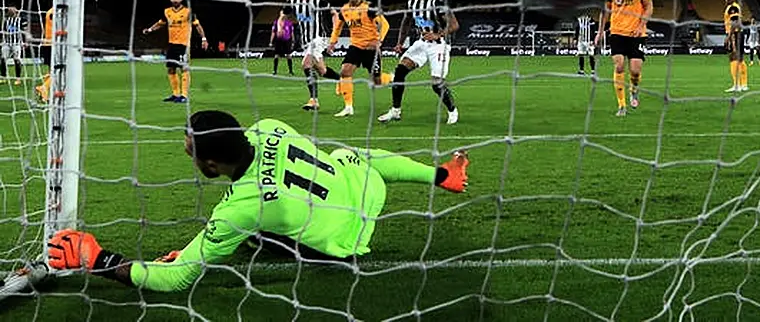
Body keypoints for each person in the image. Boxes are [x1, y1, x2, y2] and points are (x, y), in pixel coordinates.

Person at [47, 110, 470, 292]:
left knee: (247, 231)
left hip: (343, 246)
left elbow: (176, 281)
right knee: (349, 155)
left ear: (212, 166)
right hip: (365, 190)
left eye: (191, 149)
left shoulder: (239, 209)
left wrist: (96, 256)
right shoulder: (269, 126)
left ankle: (250, 242)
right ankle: (443, 176)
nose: (186, 152)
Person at [377, 0, 459, 125]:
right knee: (400, 72)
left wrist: (437, 34)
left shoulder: (438, 2)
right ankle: (395, 111)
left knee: (436, 84)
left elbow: (454, 25)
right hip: (421, 44)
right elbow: (406, 22)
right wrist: (399, 43)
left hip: (439, 45)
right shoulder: (412, 3)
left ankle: (452, 110)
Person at [327, 0, 390, 118]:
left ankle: (390, 78)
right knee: (345, 72)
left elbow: (385, 24)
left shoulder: (369, 8)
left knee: (376, 82)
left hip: (371, 48)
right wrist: (332, 42)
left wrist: (379, 41)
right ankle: (348, 107)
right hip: (355, 46)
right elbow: (338, 27)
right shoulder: (344, 10)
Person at [596, 0, 653, 117]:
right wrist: (600, 31)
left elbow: (649, 7)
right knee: (619, 66)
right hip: (617, 32)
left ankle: (634, 90)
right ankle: (621, 105)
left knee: (635, 71)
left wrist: (641, 26)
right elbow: (605, 11)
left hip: (636, 34)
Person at [142, 0, 209, 103]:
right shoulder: (167, 11)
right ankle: (175, 94)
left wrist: (204, 38)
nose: (176, 0)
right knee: (171, 68)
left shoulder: (188, 12)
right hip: (172, 44)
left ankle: (184, 95)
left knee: (184, 68)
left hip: (184, 44)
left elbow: (197, 25)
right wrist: (150, 29)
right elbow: (160, 23)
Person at [290, 0, 340, 111]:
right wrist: (281, 25)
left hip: (318, 39)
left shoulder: (319, 2)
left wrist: (334, 35)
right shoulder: (293, 3)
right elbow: (283, 13)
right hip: (306, 43)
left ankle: (314, 100)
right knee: (322, 71)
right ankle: (344, 81)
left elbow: (334, 14)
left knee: (306, 64)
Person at [723, 0, 748, 92]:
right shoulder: (733, 7)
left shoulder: (733, 7)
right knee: (740, 59)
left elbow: (735, 22)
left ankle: (736, 85)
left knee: (733, 58)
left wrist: (729, 36)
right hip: (738, 33)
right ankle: (744, 84)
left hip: (735, 34)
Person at [0, 7, 25, 85]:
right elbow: (3, 31)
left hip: (16, 43)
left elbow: (25, 31)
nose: (10, 12)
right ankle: (3, 77)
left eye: (12, 10)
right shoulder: (6, 20)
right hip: (6, 43)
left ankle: (18, 79)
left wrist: (24, 42)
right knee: (3, 59)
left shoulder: (21, 20)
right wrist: (2, 40)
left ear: (15, 12)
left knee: (16, 60)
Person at [269, 6, 296, 76]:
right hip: (279, 40)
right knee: (276, 55)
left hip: (287, 41)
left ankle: (290, 71)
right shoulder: (276, 22)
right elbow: (273, 32)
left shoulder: (289, 23)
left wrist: (293, 41)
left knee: (288, 55)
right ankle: (274, 71)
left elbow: (291, 33)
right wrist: (271, 41)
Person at [34, 6, 53, 103]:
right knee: (60, 71)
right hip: (54, 45)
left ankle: (45, 95)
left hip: (48, 44)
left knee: (51, 71)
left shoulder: (49, 11)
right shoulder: (54, 12)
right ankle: (44, 87)